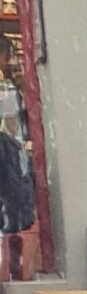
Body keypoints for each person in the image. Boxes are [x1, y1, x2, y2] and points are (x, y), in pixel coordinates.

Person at [0, 113, 37, 280]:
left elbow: (20, 183)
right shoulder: (14, 145)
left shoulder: (11, 146)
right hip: (10, 216)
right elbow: (23, 182)